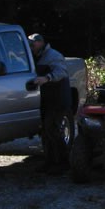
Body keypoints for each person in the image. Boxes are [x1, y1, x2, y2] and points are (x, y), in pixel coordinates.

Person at [28, 33, 70, 174]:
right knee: (45, 132)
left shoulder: (54, 56)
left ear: (40, 42)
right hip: (45, 100)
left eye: (32, 44)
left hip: (58, 99)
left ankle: (63, 163)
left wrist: (47, 78)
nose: (31, 47)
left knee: (52, 130)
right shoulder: (34, 56)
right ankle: (49, 161)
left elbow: (61, 72)